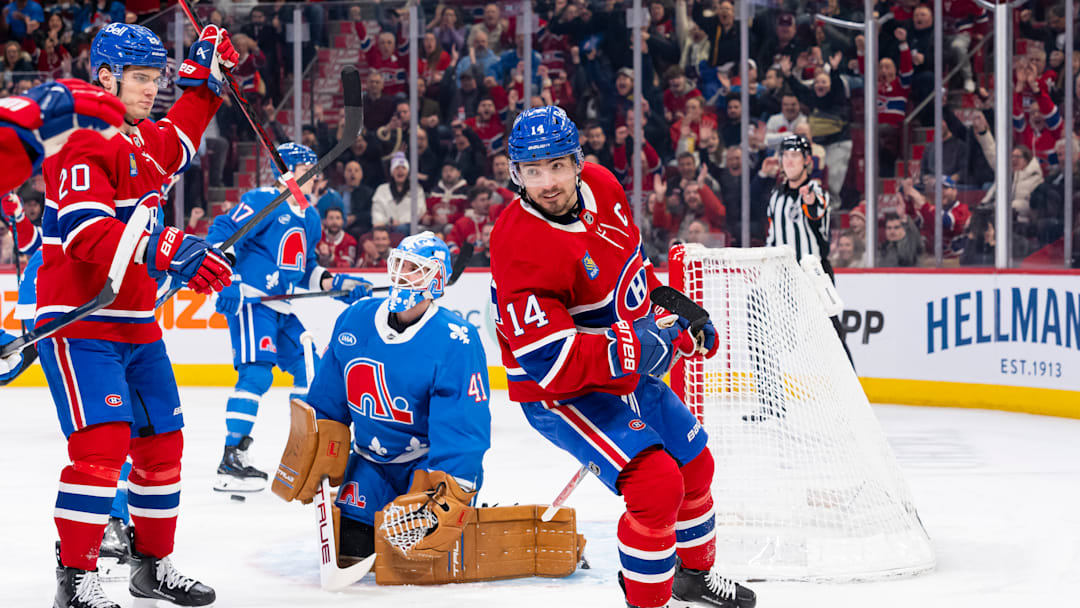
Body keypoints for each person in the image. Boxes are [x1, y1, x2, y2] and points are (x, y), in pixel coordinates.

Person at [490, 105, 755, 608]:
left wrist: (678, 312)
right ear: (516, 173)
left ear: (577, 161)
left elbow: (632, 273)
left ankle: (692, 577)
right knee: (656, 487)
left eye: (557, 165)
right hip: (558, 391)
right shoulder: (518, 242)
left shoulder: (604, 186)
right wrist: (642, 346)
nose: (546, 182)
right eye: (532, 170)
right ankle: (645, 600)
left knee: (695, 466)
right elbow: (555, 361)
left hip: (616, 360)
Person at [37, 22, 237, 608]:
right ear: (106, 77)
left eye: (158, 79)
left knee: (162, 444)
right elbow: (85, 232)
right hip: (80, 322)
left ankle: (152, 566)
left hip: (136, 322)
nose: (153, 90)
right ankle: (74, 579)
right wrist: (168, 247)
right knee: (102, 444)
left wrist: (207, 79)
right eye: (142, 78)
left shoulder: (148, 140)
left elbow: (182, 134)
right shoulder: (79, 141)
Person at [276, 231, 491, 564]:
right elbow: (328, 402)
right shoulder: (355, 318)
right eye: (399, 264)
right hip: (368, 463)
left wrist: (455, 485)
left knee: (412, 563)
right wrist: (313, 447)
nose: (402, 275)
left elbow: (462, 424)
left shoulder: (454, 339)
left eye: (414, 269)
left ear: (435, 281)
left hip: (424, 466)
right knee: (351, 549)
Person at [208, 142, 374, 493]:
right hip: (253, 302)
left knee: (310, 372)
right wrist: (228, 280)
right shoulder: (263, 199)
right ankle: (232, 457)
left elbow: (306, 271)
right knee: (256, 374)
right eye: (310, 167)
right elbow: (223, 232)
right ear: (290, 170)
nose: (317, 175)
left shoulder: (309, 215)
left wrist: (339, 284)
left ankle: (303, 451)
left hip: (282, 308)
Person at [761, 134, 852, 391]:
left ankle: (849, 394)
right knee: (766, 335)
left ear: (806, 161)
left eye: (795, 155)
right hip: (781, 277)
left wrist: (809, 201)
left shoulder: (815, 191)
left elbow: (816, 210)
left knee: (831, 336)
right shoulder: (775, 196)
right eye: (785, 155)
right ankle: (771, 398)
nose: (789, 161)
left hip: (813, 275)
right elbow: (772, 238)